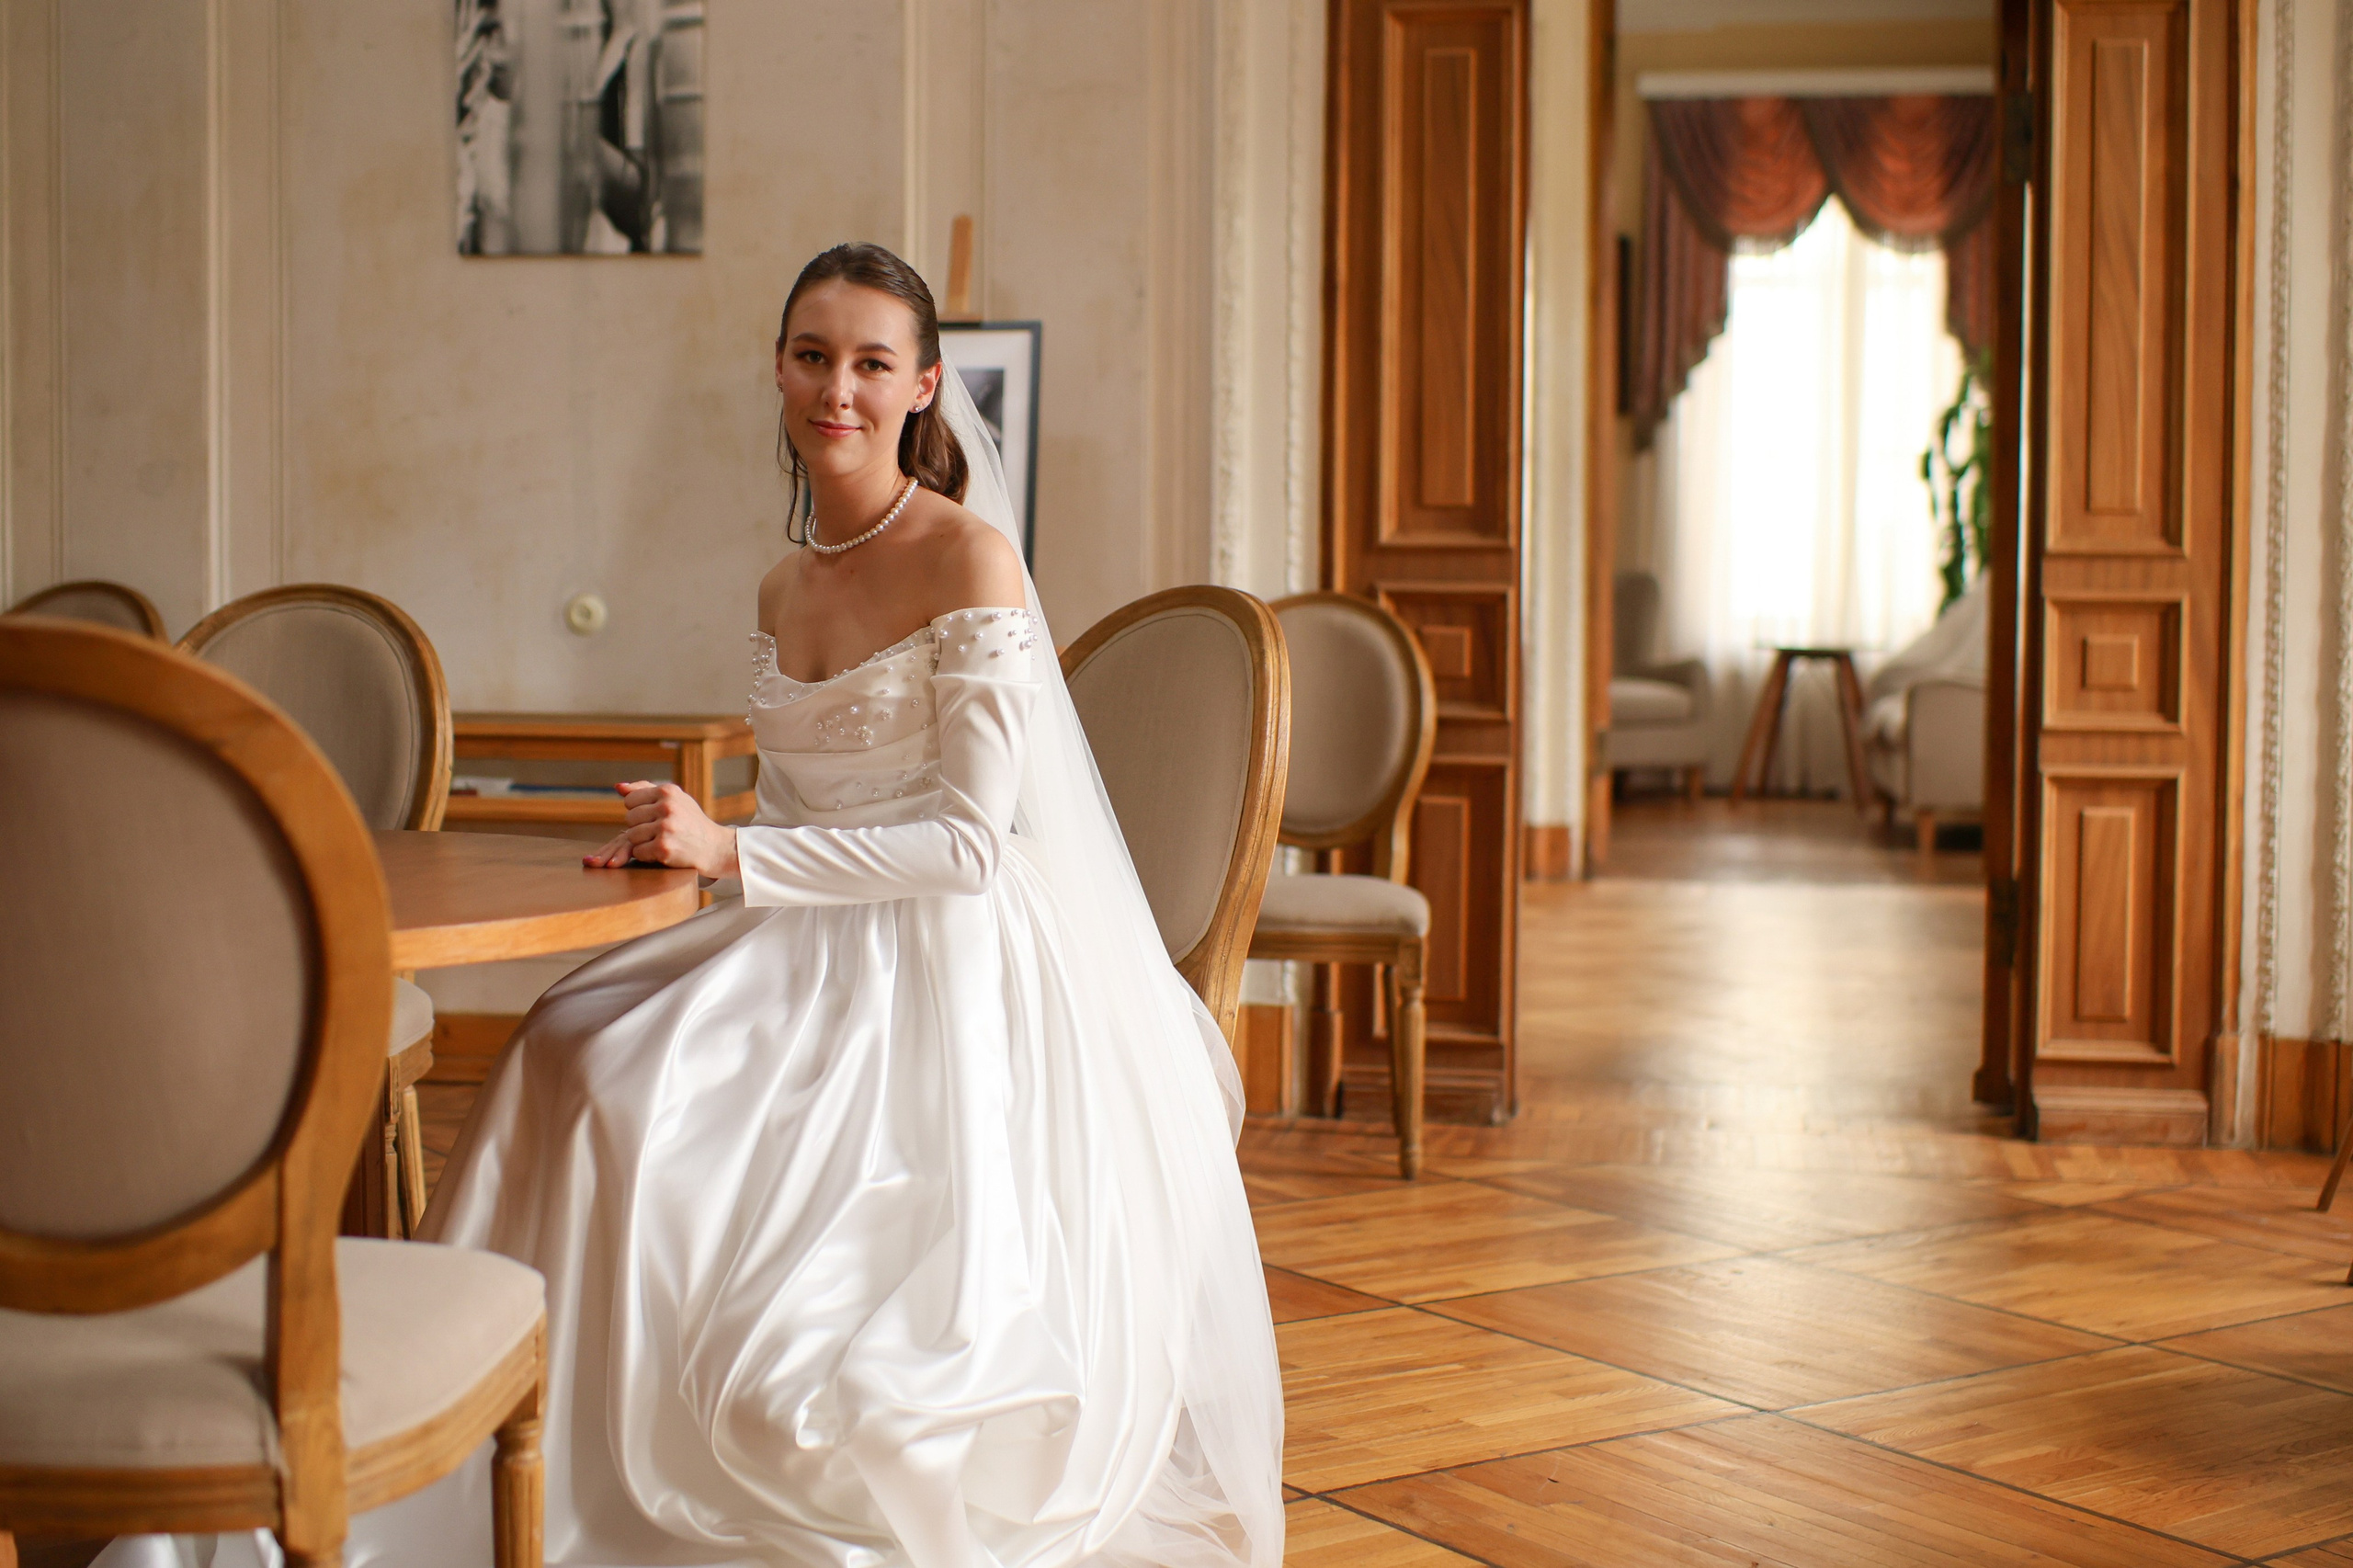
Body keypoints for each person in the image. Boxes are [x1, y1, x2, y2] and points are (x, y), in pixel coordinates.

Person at [101, 244, 1282, 1568]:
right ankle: (467, 1424)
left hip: (939, 960)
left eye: (871, 363)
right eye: (812, 356)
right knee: (565, 1042)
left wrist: (731, 851)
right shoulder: (784, 583)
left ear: (923, 386)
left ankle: (648, 1449)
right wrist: (686, 845)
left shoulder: (971, 558)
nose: (837, 390)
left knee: (646, 1105)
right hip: (799, 924)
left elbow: (965, 846)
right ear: (778, 369)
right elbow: (800, 804)